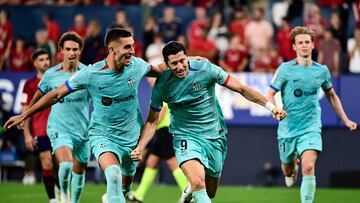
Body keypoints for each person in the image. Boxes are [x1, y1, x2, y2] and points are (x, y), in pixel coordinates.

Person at [4, 28, 167, 203]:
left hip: (130, 138)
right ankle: (63, 197)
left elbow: (159, 69)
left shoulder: (137, 65)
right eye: (127, 47)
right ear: (112, 49)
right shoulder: (91, 73)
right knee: (112, 175)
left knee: (124, 188)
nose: (133, 51)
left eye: (133, 46)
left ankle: (113, 195)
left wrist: (187, 61)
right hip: (102, 135)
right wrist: (24, 115)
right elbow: (56, 94)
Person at [130, 41, 286, 203]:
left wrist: (271, 107)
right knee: (198, 183)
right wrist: (141, 147)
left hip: (214, 135)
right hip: (185, 136)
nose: (180, 66)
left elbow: (241, 88)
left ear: (187, 57)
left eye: (182, 60)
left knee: (210, 191)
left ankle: (189, 190)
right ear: (167, 65)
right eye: (174, 63)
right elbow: (151, 121)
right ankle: (192, 186)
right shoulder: (162, 85)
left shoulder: (205, 68)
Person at [268, 26, 357, 203]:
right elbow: (270, 93)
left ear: (312, 45)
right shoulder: (285, 69)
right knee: (287, 171)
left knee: (308, 167)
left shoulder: (321, 71)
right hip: (288, 127)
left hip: (311, 126)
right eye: (300, 43)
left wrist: (345, 119)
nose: (304, 45)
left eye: (307, 42)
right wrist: (275, 109)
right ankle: (291, 166)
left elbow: (332, 95)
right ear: (294, 47)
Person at [6, 31, 91, 203]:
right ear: (61, 50)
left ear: (80, 50)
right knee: (65, 165)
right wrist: (23, 115)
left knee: (79, 171)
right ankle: (62, 195)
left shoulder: (89, 73)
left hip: (82, 130)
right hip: (59, 127)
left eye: (75, 49)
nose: (72, 53)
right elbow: (38, 97)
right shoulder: (51, 74)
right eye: (68, 49)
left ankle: (72, 200)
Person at [126, 78, 188, 203]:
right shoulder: (160, 89)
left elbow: (159, 116)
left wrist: (148, 126)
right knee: (151, 162)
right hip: (162, 132)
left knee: (173, 163)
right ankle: (139, 194)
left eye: (152, 76)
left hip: (166, 131)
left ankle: (187, 194)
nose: (149, 78)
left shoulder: (162, 89)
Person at [21, 49, 59, 202]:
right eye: (41, 59)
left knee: (62, 165)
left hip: (59, 128)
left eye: (46, 59)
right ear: (35, 63)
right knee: (47, 163)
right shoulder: (29, 85)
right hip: (40, 130)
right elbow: (25, 110)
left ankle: (63, 194)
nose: (45, 62)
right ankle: (53, 199)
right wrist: (27, 134)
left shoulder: (57, 79)